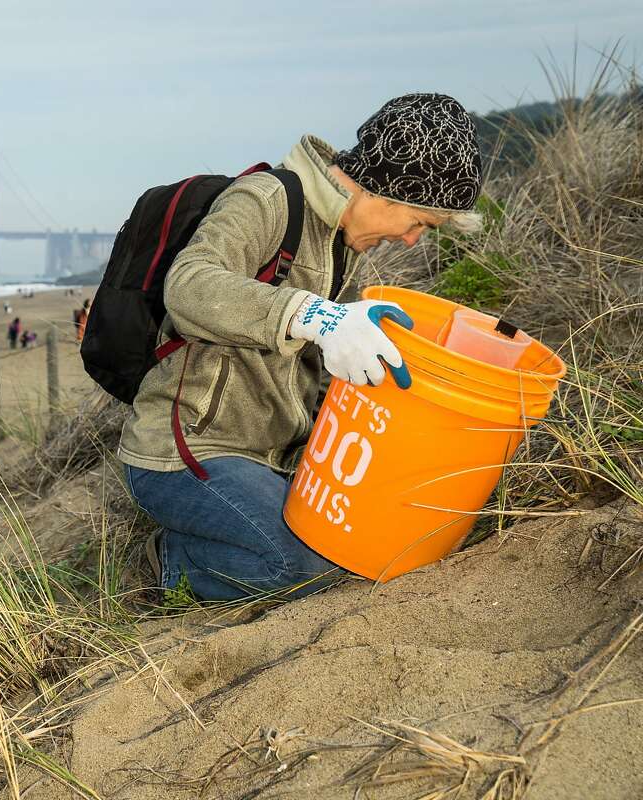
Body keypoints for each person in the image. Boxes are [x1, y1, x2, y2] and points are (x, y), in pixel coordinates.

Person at [120, 93, 484, 602]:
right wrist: (315, 316)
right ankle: (171, 562)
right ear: (387, 190)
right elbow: (187, 285)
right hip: (186, 449)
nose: (410, 242)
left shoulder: (340, 240)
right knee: (311, 567)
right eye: (419, 223)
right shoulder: (266, 200)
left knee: (354, 547)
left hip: (270, 455)